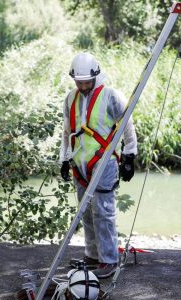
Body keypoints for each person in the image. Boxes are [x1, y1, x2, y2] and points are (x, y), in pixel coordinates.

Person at [59, 52, 137, 278]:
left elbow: (127, 127)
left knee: (103, 211)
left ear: (95, 76)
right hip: (79, 163)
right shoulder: (70, 99)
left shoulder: (111, 96)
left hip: (103, 162)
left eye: (86, 82)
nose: (83, 86)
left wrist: (129, 155)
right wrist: (64, 159)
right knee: (86, 213)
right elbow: (67, 132)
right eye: (79, 82)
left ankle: (109, 260)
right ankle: (92, 255)